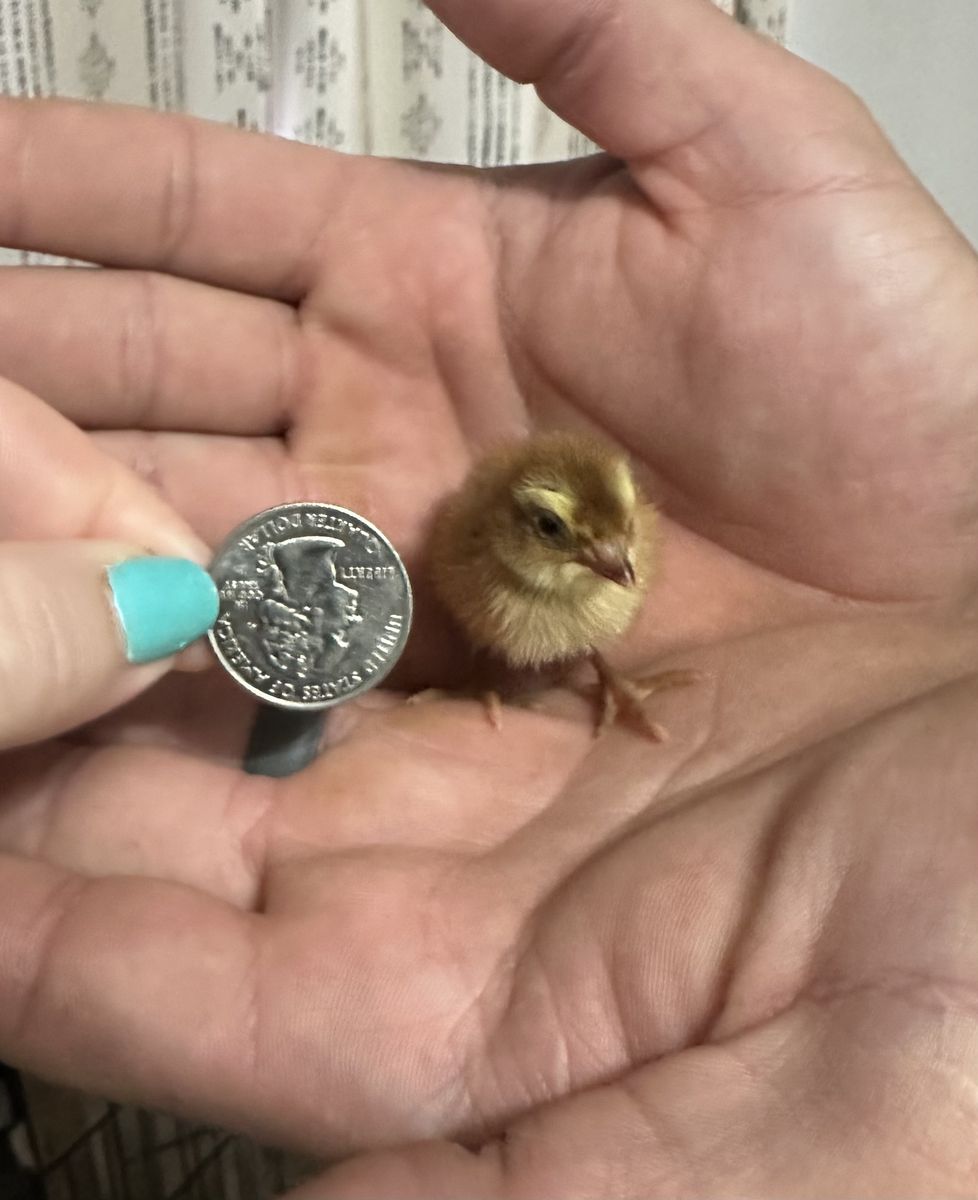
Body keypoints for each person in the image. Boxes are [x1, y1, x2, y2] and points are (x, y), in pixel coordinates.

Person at [1, 0, 977, 1194]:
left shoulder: (611, 553)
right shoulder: (476, 554)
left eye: (617, 542)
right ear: (517, 529)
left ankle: (595, 683)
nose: (624, 565)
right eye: (576, 542)